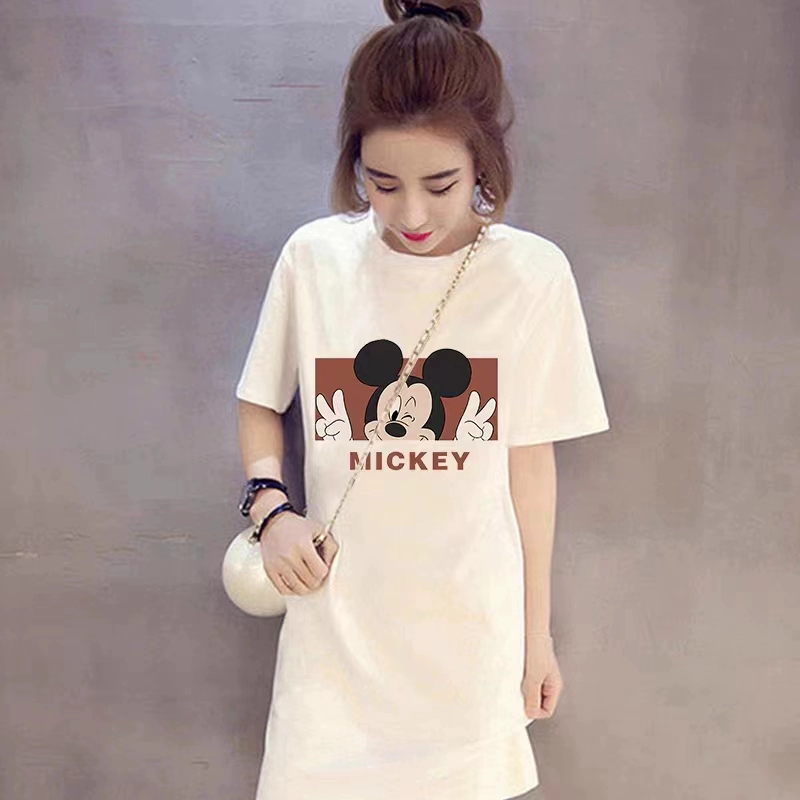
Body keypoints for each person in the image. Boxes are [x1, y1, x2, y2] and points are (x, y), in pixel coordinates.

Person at [234, 1, 611, 798]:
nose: (411, 214)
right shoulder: (315, 259)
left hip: (468, 649)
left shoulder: (531, 276)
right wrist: (272, 510)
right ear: (355, 162)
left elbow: (530, 468)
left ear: (484, 162)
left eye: (441, 185)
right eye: (382, 184)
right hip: (332, 654)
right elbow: (261, 401)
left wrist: (535, 638)